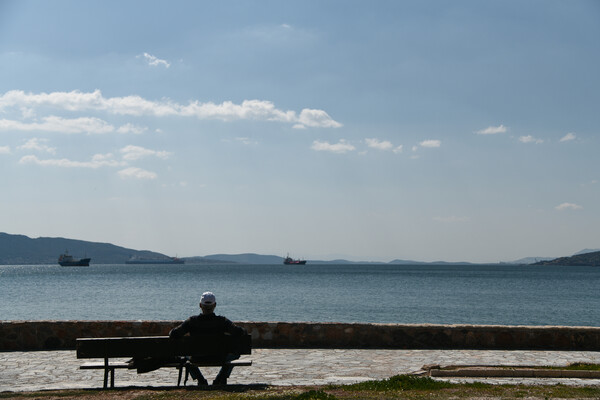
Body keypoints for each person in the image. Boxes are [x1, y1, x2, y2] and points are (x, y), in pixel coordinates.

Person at [169, 291, 246, 386]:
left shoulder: (192, 321)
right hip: (219, 357)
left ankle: (201, 380)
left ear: (200, 305)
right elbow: (240, 332)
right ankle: (219, 379)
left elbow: (173, 334)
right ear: (215, 305)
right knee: (234, 355)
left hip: (197, 357)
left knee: (186, 357)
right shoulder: (222, 321)